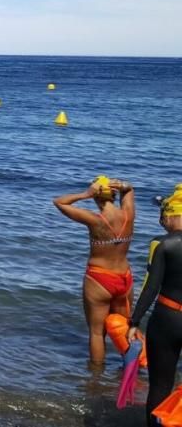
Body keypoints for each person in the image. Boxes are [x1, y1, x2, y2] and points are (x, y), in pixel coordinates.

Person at [53, 175, 135, 365]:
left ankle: (96, 378)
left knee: (97, 333)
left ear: (96, 197)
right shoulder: (128, 215)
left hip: (100, 279)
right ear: (113, 195)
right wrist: (121, 185)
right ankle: (129, 370)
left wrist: (85, 194)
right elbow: (130, 189)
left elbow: (59, 202)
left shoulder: (95, 220)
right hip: (124, 278)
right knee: (124, 329)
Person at [129, 184, 182, 426]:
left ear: (173, 215)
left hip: (167, 318)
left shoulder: (162, 244)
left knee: (160, 385)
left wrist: (134, 321)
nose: (161, 221)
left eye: (163, 215)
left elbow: (151, 287)